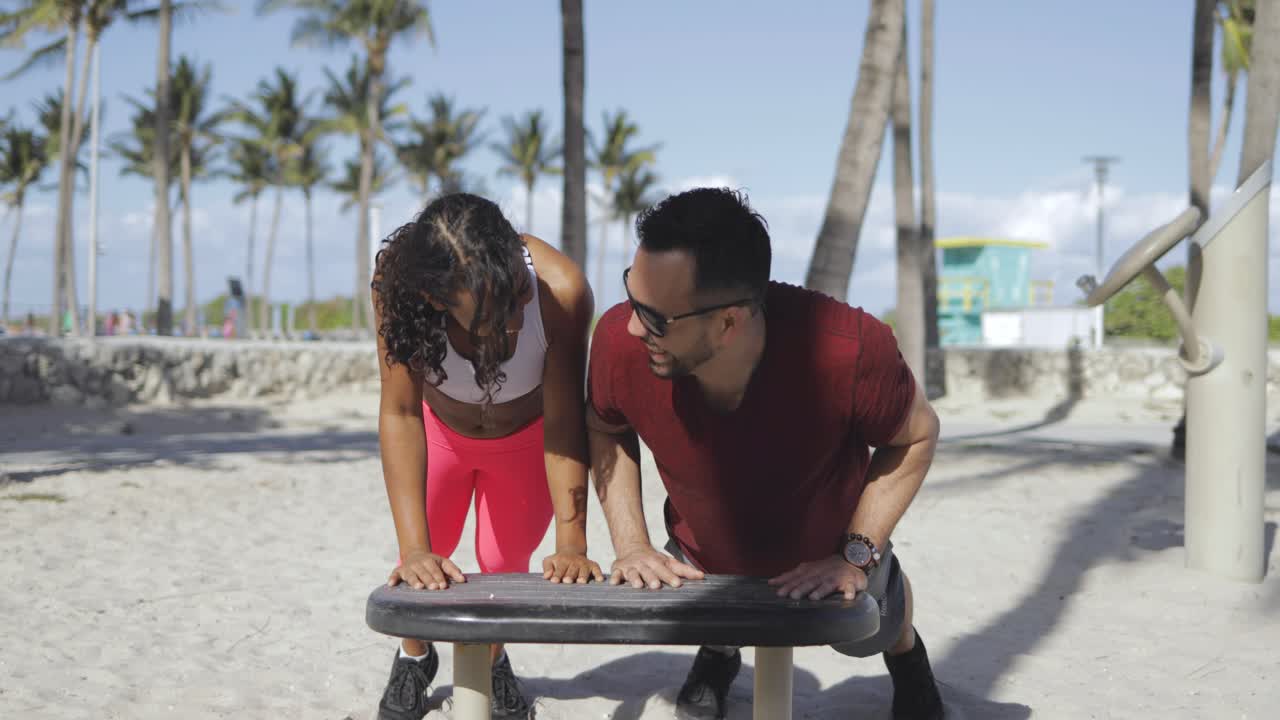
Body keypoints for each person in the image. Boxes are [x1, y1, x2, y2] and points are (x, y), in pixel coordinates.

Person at [585, 188, 946, 719]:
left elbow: (916, 435)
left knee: (874, 631)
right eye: (631, 296)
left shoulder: (848, 348)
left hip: (831, 558)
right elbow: (604, 426)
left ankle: (908, 656)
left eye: (656, 317)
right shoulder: (619, 341)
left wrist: (855, 554)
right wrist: (632, 544)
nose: (634, 325)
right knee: (717, 614)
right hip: (702, 561)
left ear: (729, 322)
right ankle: (720, 650)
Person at [371, 193, 602, 720]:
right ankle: (414, 654)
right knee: (426, 559)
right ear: (434, 298)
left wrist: (572, 540)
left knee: (504, 565)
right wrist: (413, 551)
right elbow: (400, 412)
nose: (518, 315)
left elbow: (567, 416)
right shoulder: (398, 284)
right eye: (497, 311)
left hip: (527, 438)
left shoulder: (560, 290)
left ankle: (494, 658)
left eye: (518, 292)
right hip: (438, 435)